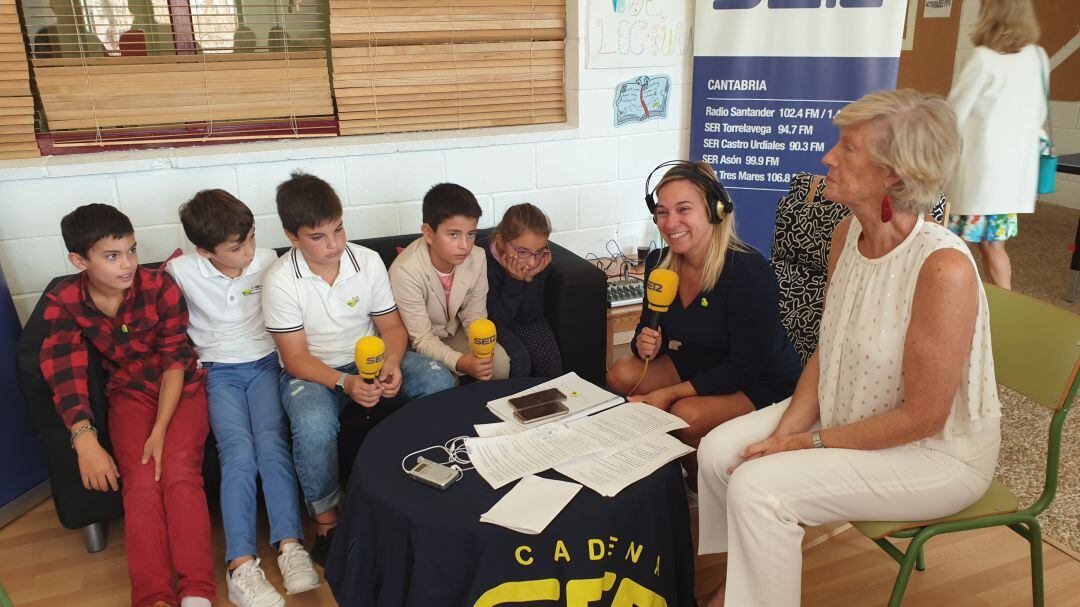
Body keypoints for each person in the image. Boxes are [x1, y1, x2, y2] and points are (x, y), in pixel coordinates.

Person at [695, 90, 1003, 606]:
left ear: (895, 176)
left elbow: (924, 418)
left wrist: (802, 445)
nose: (828, 158)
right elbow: (827, 349)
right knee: (719, 453)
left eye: (849, 149)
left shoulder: (942, 269)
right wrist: (786, 432)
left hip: (934, 454)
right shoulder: (847, 234)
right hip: (853, 412)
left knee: (759, 489)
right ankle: (744, 587)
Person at [262, 172, 456, 567]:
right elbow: (296, 358)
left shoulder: (366, 261)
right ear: (292, 236)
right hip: (314, 370)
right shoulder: (280, 280)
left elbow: (391, 327)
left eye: (338, 229)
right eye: (318, 237)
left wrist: (392, 362)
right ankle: (328, 523)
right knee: (313, 423)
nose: (334, 244)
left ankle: (430, 487)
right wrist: (346, 383)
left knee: (439, 380)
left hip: (369, 357)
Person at [40, 204, 215, 607]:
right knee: (139, 484)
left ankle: (196, 592)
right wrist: (85, 440)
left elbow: (175, 358)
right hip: (129, 393)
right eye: (112, 256)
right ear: (78, 260)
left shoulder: (160, 287)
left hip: (181, 387)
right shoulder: (64, 301)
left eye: (132, 251)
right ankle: (154, 596)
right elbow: (63, 372)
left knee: (178, 472)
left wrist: (159, 431)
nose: (128, 264)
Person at [606, 161, 802, 486]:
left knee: (683, 415)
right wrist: (644, 341)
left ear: (715, 210)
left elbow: (747, 366)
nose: (671, 223)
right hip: (701, 360)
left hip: (760, 380)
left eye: (684, 210)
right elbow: (649, 327)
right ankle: (680, 471)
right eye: (663, 212)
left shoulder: (748, 272)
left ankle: (700, 485)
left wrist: (669, 394)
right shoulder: (659, 262)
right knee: (621, 374)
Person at [167, 190, 319, 607]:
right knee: (238, 454)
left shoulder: (269, 260)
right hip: (218, 373)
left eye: (252, 237)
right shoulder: (181, 271)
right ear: (204, 250)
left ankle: (290, 546)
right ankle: (240, 565)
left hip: (268, 365)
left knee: (272, 445)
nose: (250, 251)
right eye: (238, 247)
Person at [945, 0, 1046, 290]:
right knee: (994, 246)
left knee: (953, 245)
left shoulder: (983, 58)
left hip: (978, 175)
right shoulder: (1038, 57)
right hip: (1011, 177)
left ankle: (952, 302)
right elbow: (1038, 113)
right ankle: (1004, 306)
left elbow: (954, 115)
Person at [389, 183, 511, 381]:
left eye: (471, 234)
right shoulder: (405, 270)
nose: (465, 245)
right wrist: (462, 362)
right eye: (453, 235)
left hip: (454, 333)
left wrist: (481, 352)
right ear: (428, 233)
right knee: (443, 377)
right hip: (415, 343)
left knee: (498, 363)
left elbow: (475, 315)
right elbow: (421, 338)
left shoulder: (478, 257)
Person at [484, 203, 563, 378]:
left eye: (540, 251)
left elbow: (530, 315)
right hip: (496, 321)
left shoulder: (538, 260)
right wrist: (514, 280)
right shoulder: (484, 263)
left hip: (523, 318)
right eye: (522, 251)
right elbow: (498, 319)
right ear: (500, 241)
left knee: (550, 361)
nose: (532, 262)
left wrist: (529, 279)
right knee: (519, 360)